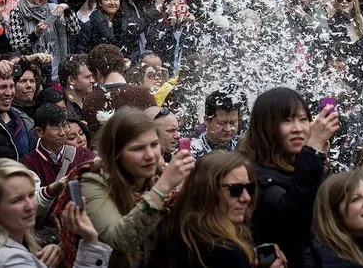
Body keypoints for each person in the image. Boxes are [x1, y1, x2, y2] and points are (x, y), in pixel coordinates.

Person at [80, 108, 194, 268]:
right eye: (138, 148)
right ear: (116, 152)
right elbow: (119, 239)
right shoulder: (93, 181)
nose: (150, 155)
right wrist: (163, 187)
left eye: (154, 145)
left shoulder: (157, 177)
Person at [240, 86, 340, 268]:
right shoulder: (252, 174)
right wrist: (312, 150)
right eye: (286, 120)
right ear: (266, 126)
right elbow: (292, 219)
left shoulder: (307, 164)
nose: (298, 129)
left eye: (303, 119)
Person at [150, 150, 283, 268]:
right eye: (235, 189)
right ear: (207, 192)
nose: (246, 198)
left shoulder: (180, 230)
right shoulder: (223, 251)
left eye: (249, 188)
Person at [0, 158, 62, 267]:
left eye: (31, 195)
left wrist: (57, 252)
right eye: (17, 200)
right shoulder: (10, 260)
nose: (30, 206)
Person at [190, 88, 244, 158]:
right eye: (221, 123)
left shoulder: (244, 147)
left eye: (232, 123)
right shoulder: (192, 152)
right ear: (207, 120)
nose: (228, 129)